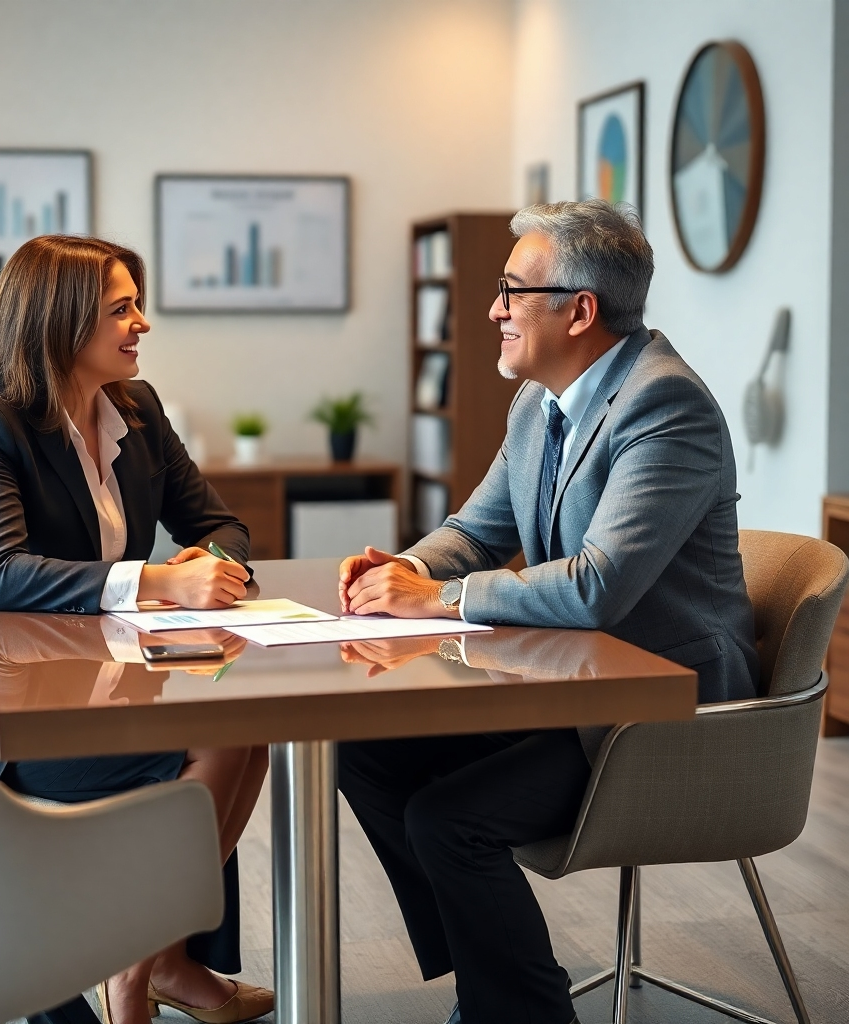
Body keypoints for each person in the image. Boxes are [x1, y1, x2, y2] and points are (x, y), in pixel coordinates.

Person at [336, 199, 759, 1024]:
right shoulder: (539, 402)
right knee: (362, 745)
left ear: (580, 309)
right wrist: (408, 567)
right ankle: (496, 982)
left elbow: (599, 585)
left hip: (663, 712)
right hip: (572, 691)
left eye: (510, 291)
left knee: (447, 820)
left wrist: (438, 599)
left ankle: (522, 1006)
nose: (493, 309)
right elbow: (477, 530)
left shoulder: (665, 408)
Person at [0, 235, 273, 1024]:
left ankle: (155, 960)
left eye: (137, 304)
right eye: (121, 309)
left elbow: (217, 522)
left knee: (248, 732)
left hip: (108, 673)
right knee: (221, 740)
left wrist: (219, 566)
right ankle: (140, 972)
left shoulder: (136, 409)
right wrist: (161, 579)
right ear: (60, 322)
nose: (141, 323)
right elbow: (4, 573)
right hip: (4, 705)